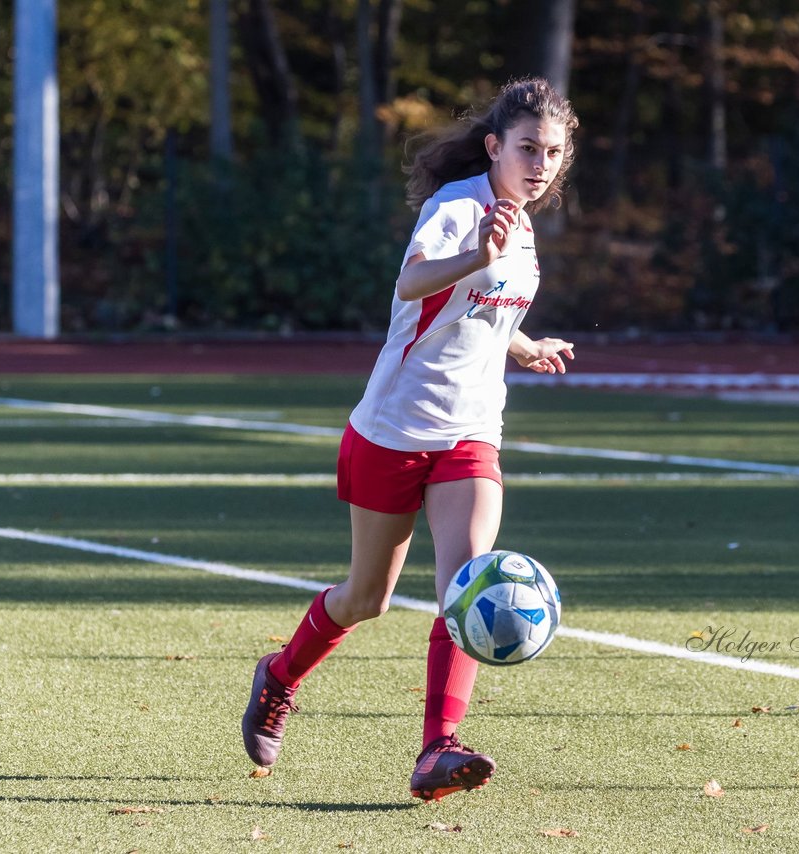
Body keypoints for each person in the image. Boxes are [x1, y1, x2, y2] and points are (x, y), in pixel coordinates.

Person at [242, 77, 579, 803]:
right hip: (393, 429)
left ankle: (438, 749)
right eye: (528, 148)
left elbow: (481, 311)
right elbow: (415, 284)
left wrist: (522, 346)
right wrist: (475, 259)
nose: (542, 162)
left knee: (470, 584)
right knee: (366, 598)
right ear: (495, 147)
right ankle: (279, 675)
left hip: (469, 434)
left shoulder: (521, 228)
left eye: (553, 151)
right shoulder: (459, 208)